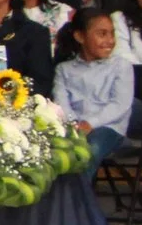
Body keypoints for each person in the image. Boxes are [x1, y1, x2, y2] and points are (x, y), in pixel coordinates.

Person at [52, 10, 133, 173]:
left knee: (89, 151)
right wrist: (74, 125)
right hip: (73, 126)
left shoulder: (121, 66)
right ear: (80, 37)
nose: (110, 40)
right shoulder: (64, 69)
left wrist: (90, 123)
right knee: (56, 151)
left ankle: (77, 191)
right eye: (102, 34)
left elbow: (120, 105)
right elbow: (61, 103)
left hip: (108, 127)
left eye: (112, 34)